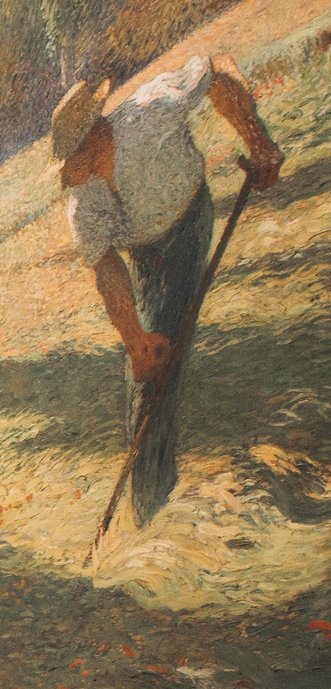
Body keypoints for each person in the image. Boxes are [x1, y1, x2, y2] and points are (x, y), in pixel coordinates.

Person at [53, 59, 281, 528]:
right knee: (149, 368)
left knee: (165, 368)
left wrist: (259, 144)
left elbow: (217, 76)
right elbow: (106, 267)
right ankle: (151, 513)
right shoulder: (83, 200)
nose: (67, 174)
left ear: (94, 137)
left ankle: (153, 513)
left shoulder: (152, 110)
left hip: (189, 222)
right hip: (145, 254)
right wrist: (134, 338)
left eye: (71, 159)